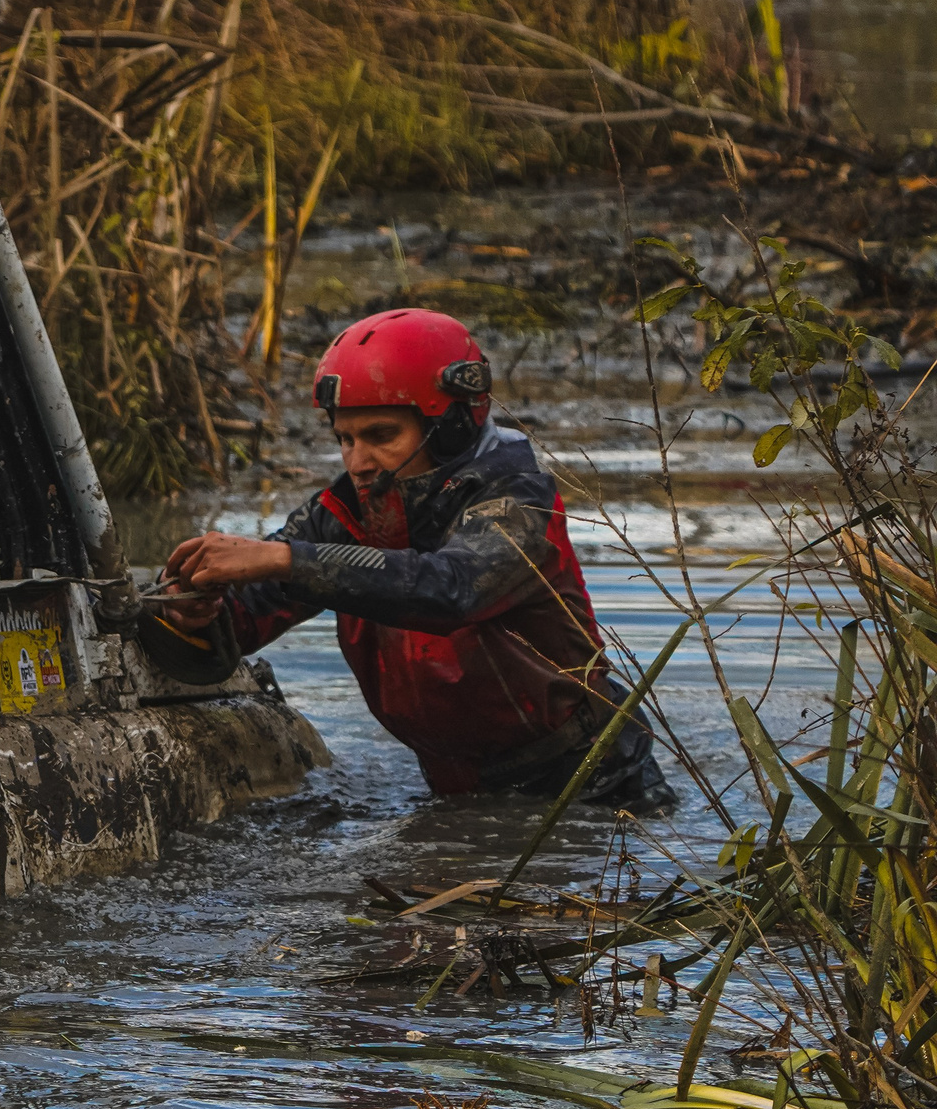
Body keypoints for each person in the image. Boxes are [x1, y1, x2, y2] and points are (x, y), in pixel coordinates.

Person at [163, 307, 673, 810]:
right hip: (457, 792)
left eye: (381, 436)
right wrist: (195, 608)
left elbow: (453, 589)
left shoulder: (518, 503)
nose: (358, 463)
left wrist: (284, 559)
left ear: (452, 426)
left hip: (593, 784)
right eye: (345, 439)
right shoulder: (343, 513)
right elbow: (240, 621)